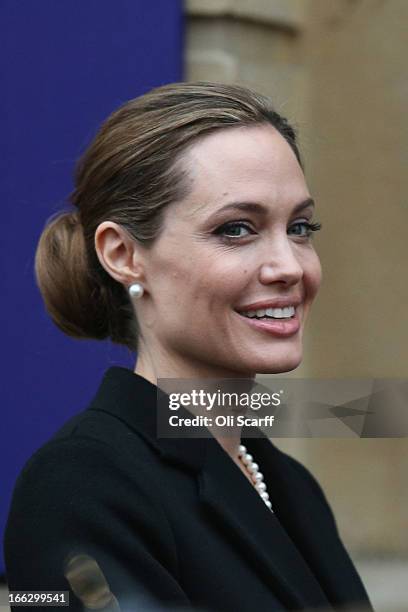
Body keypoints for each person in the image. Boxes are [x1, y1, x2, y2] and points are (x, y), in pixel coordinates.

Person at [5, 82, 373, 611]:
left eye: (300, 227)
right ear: (123, 254)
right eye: (237, 229)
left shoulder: (289, 484)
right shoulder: (78, 487)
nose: (290, 266)